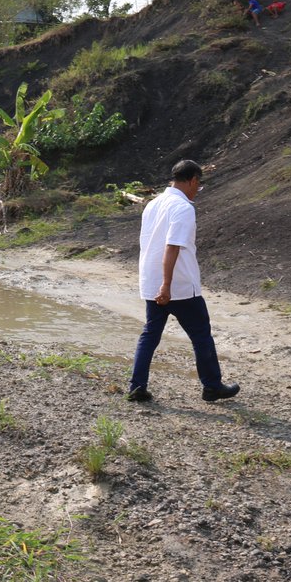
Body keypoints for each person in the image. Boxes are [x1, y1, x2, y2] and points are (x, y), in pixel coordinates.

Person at [126, 160, 240, 404]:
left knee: (150, 334)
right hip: (178, 285)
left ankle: (137, 386)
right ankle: (212, 386)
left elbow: (150, 245)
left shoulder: (153, 205)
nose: (197, 190)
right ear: (193, 181)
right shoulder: (183, 208)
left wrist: (158, 283)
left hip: (151, 281)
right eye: (198, 185)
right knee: (201, 335)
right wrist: (166, 285)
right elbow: (172, 246)